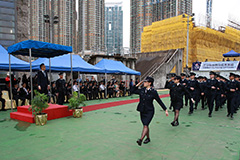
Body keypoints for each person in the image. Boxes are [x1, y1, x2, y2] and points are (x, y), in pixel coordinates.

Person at [131, 76, 168, 146]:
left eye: (145, 82)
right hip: (142, 110)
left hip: (149, 111)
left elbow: (159, 101)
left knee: (145, 125)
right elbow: (132, 91)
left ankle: (141, 139)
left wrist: (165, 109)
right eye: (144, 82)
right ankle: (148, 138)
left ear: (150, 83)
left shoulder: (153, 92)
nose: (144, 83)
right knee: (146, 125)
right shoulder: (142, 90)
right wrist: (137, 85)